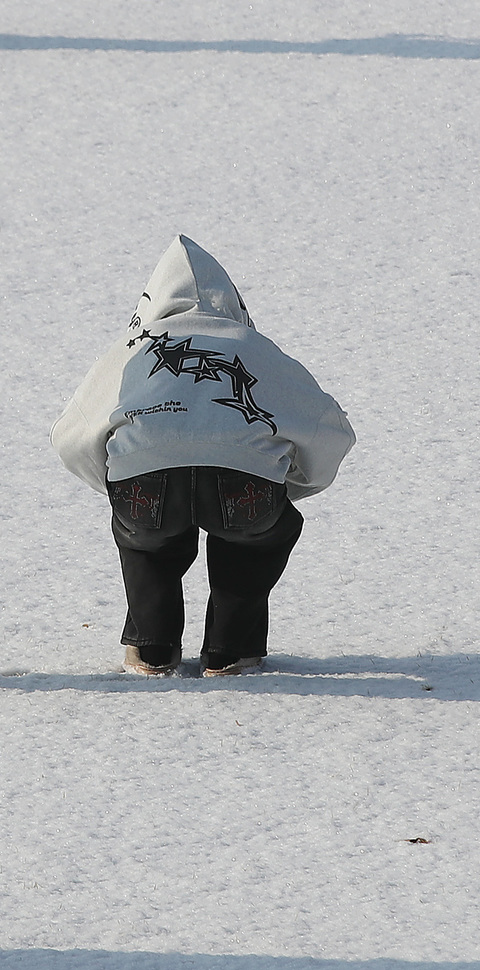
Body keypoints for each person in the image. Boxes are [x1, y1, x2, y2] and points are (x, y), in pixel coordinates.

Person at [51, 234, 355, 678]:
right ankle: (231, 651)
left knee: (147, 548)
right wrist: (290, 482)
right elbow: (330, 429)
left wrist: (117, 481)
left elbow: (69, 435)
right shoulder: (253, 348)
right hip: (244, 480)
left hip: (143, 479)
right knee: (254, 543)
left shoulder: (129, 351)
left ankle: (151, 651)